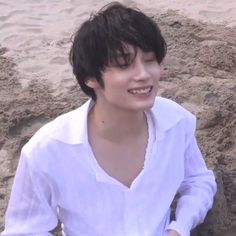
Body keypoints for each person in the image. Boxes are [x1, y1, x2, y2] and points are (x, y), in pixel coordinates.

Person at [1, 2, 216, 236]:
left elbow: (199, 181)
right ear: (91, 77)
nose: (144, 75)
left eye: (150, 60)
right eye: (124, 65)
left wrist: (180, 227)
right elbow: (23, 231)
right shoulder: (47, 151)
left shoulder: (176, 123)